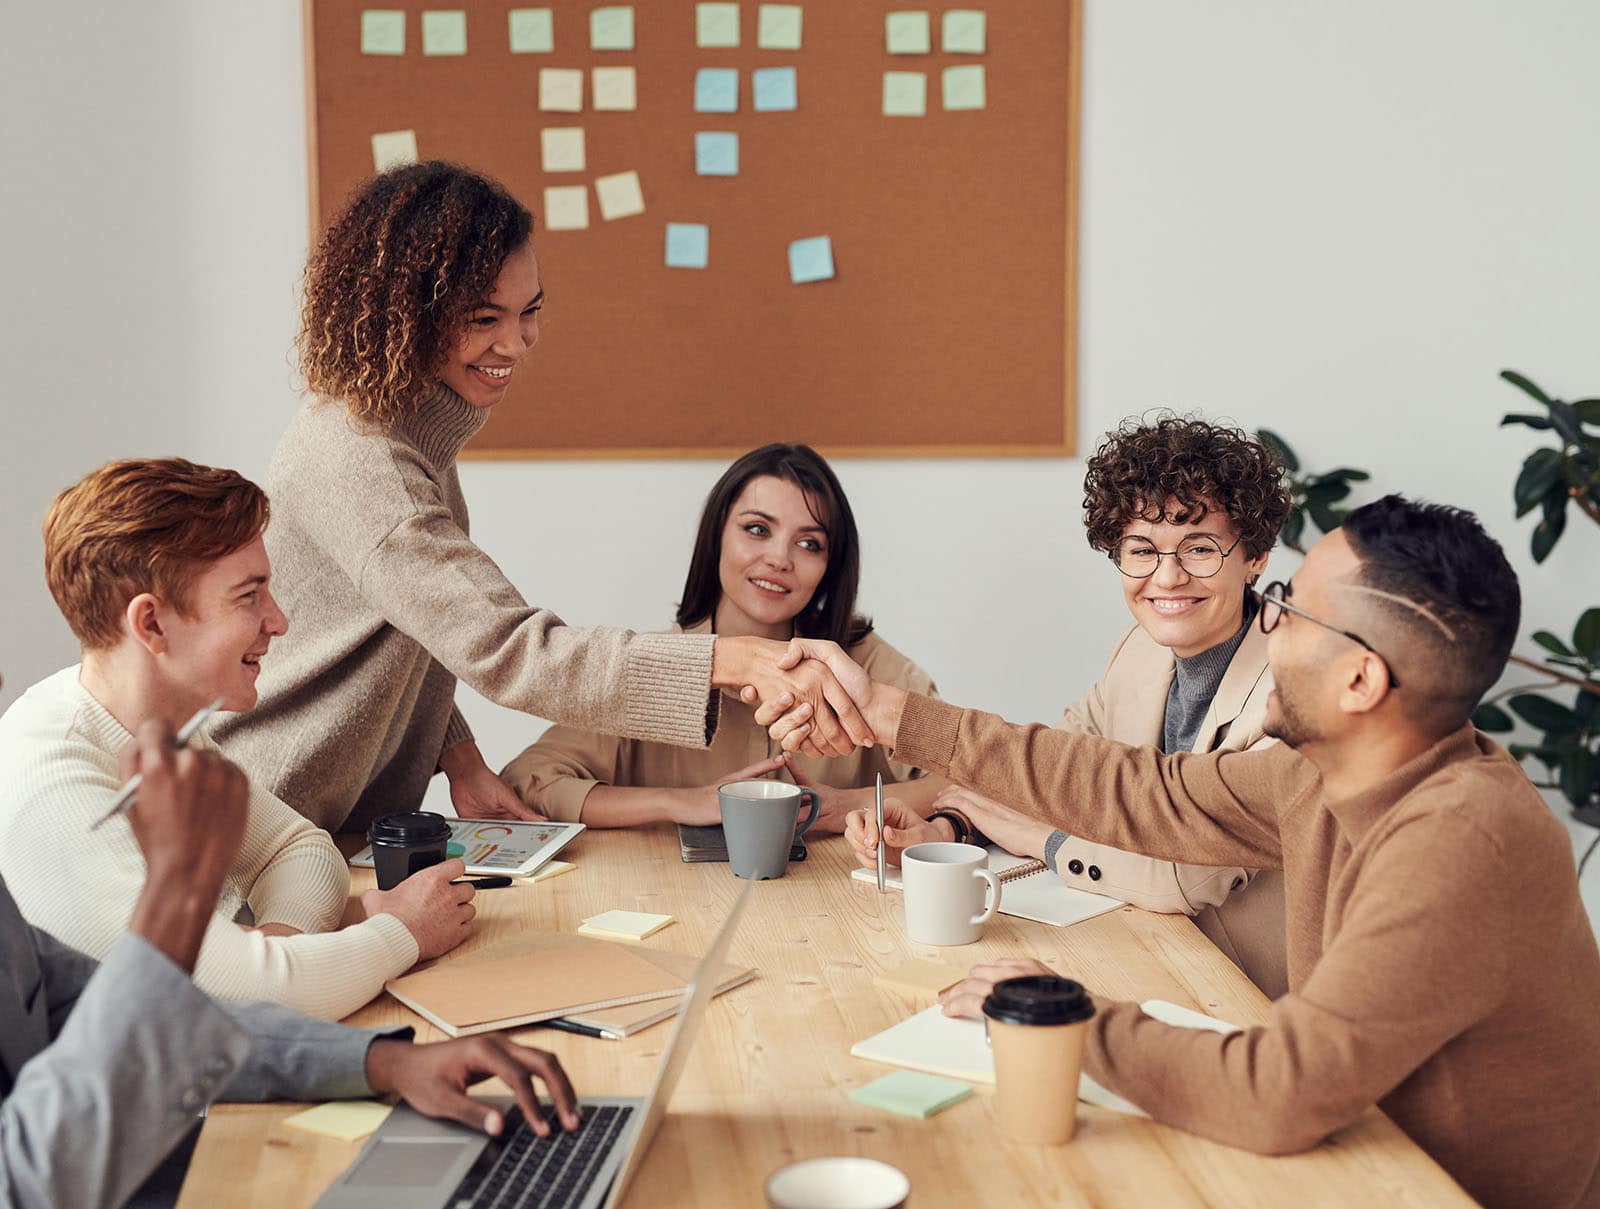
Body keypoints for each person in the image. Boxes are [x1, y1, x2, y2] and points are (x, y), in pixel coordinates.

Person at [786, 496, 1600, 1209]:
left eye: (1286, 607)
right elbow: (1144, 791)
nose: (1264, 621)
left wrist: (1069, 1016)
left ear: (1360, 680)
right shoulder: (1326, 772)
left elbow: (1279, 1089)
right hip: (1360, 1153)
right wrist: (895, 715)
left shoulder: (1461, 840)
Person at [212, 161, 870, 836]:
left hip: (332, 827)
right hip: (267, 824)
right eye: (483, 317)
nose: (516, 343)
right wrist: (725, 659)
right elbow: (511, 647)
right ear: (406, 317)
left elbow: (417, 625)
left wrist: (458, 756)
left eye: (529, 312)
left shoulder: (407, 432)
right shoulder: (365, 459)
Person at [0, 711, 580, 1209]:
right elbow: (31, 1184)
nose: (280, 623)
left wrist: (383, 1062)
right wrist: (178, 890)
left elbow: (120, 1013)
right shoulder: (53, 771)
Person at [0, 459, 472, 1020]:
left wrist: (276, 954)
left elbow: (300, 849)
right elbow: (243, 1003)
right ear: (150, 625)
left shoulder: (156, 725)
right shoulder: (54, 787)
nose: (279, 622)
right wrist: (400, 932)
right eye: (249, 596)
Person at [845, 416, 1293, 994]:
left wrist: (1042, 841)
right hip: (1144, 954)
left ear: (1254, 556)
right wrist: (949, 828)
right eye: (1141, 550)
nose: (1168, 576)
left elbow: (1183, 879)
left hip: (1247, 994)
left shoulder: (1291, 691)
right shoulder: (1138, 651)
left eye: (1199, 548)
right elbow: (1051, 772)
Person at [500, 444, 947, 832]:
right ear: (717, 536)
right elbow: (527, 780)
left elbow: (971, 780)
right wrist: (679, 801)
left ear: (831, 567)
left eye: (809, 544)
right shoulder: (653, 668)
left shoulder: (868, 667)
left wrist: (849, 806)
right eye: (757, 530)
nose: (779, 559)